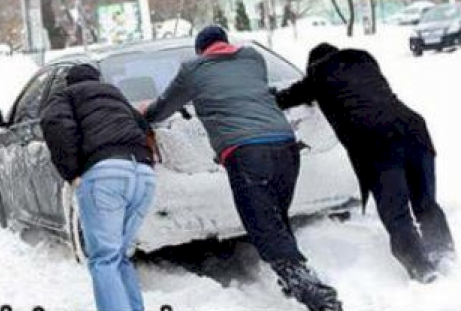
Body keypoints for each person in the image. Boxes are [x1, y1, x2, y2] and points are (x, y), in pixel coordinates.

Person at [141, 26, 342, 311]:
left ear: (201, 50)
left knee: (263, 227)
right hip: (286, 147)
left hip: (247, 152)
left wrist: (144, 115)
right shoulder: (253, 58)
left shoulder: (193, 71)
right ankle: (293, 278)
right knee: (276, 218)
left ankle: (314, 293)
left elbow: (162, 109)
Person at [276, 43, 455, 283]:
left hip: (378, 141)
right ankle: (443, 252)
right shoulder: (364, 60)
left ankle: (421, 267)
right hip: (414, 129)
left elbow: (285, 98)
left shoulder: (318, 75)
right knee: (424, 200)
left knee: (396, 210)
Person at [40, 63, 156, 311]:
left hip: (106, 176)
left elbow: (55, 125)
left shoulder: (66, 96)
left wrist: (72, 172)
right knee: (119, 257)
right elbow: (145, 128)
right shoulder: (116, 95)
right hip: (143, 175)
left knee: (104, 259)